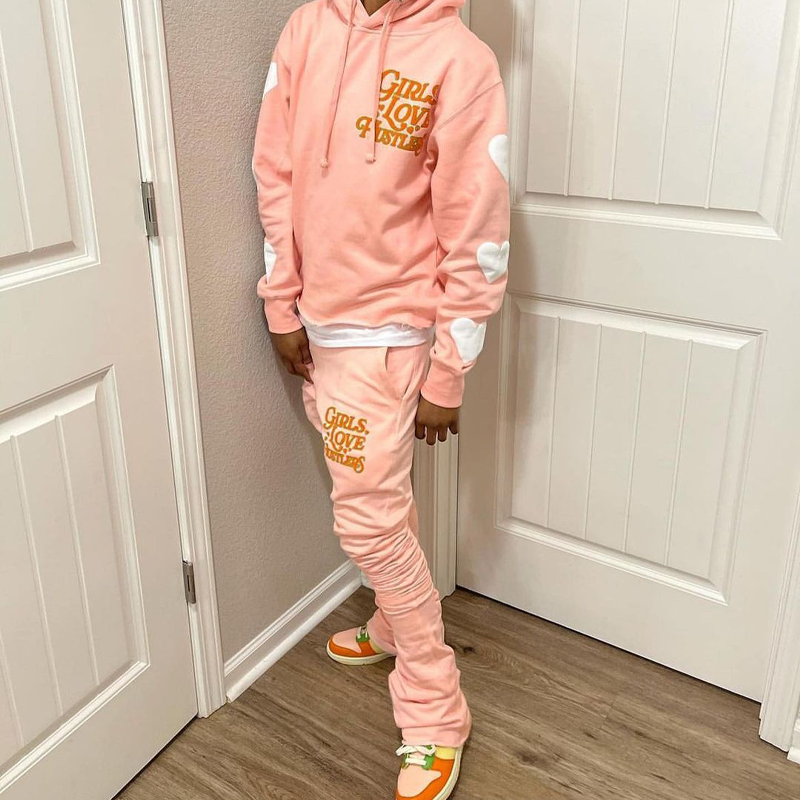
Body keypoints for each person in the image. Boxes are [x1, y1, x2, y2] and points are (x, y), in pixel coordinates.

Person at [253, 0, 509, 796]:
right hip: (317, 329)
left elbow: (477, 228)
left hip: (392, 337)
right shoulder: (307, 29)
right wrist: (280, 301)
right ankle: (396, 623)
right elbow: (274, 173)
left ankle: (434, 706)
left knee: (365, 519)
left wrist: (449, 370)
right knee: (383, 505)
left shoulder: (460, 60)